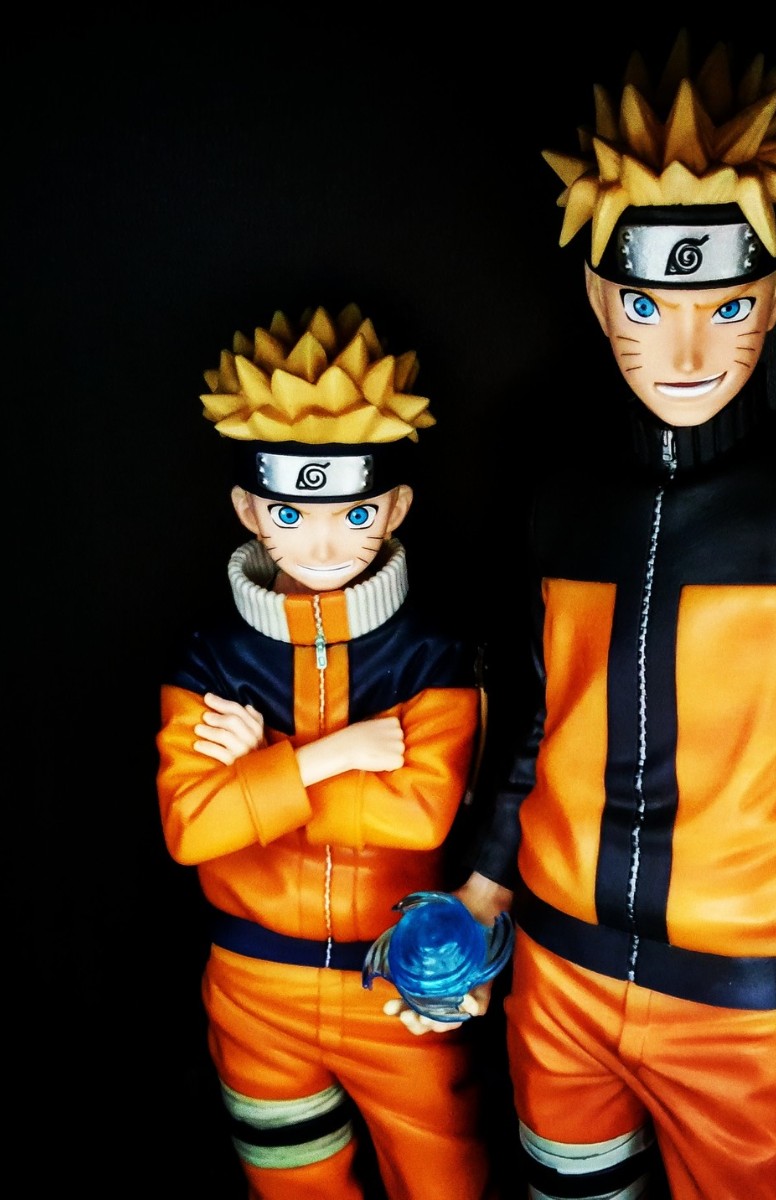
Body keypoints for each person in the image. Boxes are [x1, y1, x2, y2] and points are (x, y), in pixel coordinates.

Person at [397, 32, 776, 1198]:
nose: (687, 349)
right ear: (600, 296)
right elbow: (537, 724)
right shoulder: (558, 498)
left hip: (746, 1005)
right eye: (647, 300)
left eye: (727, 299)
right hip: (554, 977)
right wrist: (482, 893)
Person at [156, 303, 494, 1200]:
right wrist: (323, 754)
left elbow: (418, 814)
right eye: (288, 511)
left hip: (402, 986)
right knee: (290, 1184)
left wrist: (256, 777)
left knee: (446, 1183)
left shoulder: (433, 650)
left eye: (355, 511)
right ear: (247, 508)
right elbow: (190, 825)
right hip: (252, 992)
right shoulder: (209, 653)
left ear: (397, 506)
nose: (321, 540)